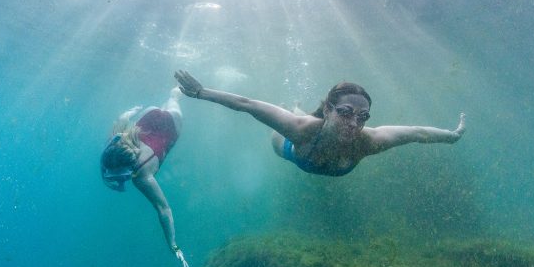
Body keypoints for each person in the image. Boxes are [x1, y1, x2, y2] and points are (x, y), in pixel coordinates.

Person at [174, 70, 465, 177]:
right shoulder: (300, 130)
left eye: (362, 117)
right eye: (346, 112)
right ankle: (297, 106)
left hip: (314, 147)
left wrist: (452, 136)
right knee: (292, 118)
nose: (354, 123)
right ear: (328, 109)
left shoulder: (370, 142)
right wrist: (201, 92)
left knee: (300, 115)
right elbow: (248, 105)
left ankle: (300, 107)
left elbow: (416, 132)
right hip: (289, 148)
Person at [100, 87, 189, 267]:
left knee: (173, 100)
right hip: (151, 114)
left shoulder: (141, 175)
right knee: (168, 104)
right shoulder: (116, 142)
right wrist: (131, 113)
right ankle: (173, 95)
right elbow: (122, 120)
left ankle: (175, 94)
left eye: (123, 176)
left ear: (131, 167)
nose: (122, 180)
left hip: (172, 125)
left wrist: (173, 245)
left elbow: (164, 210)